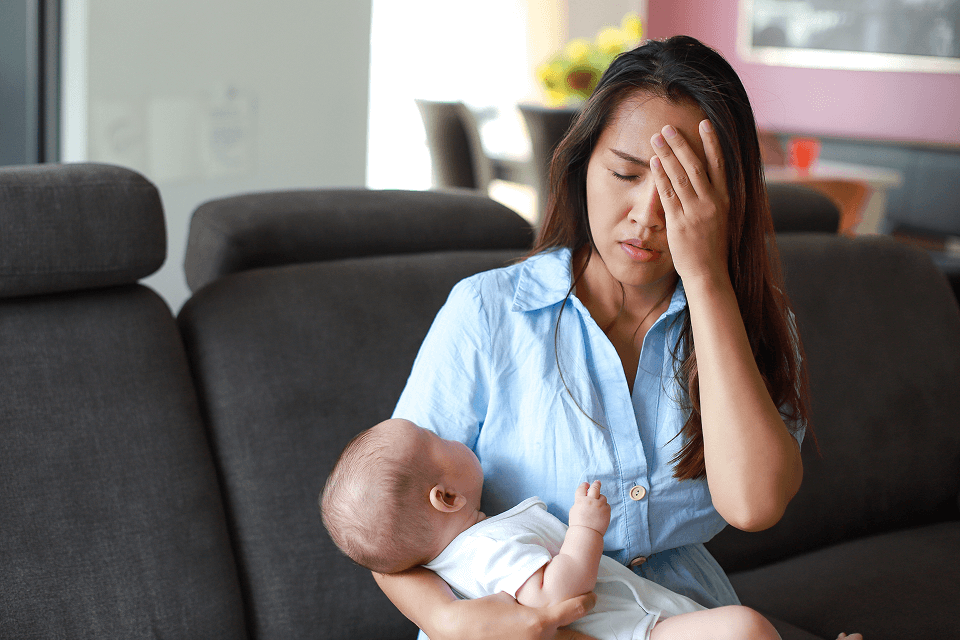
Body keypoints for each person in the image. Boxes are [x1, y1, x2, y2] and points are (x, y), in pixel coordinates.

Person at [374, 35, 836, 640]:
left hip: (675, 618)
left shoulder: (746, 324)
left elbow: (753, 505)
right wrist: (450, 619)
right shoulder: (487, 313)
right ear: (582, 163)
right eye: (623, 173)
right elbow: (388, 516)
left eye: (682, 190)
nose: (646, 215)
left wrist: (706, 280)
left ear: (729, 202)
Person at [321, 418, 796, 640]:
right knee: (743, 629)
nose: (450, 434)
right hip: (633, 635)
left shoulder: (462, 559)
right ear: (446, 497)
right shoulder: (485, 548)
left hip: (639, 626)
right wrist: (585, 530)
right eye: (439, 440)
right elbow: (552, 601)